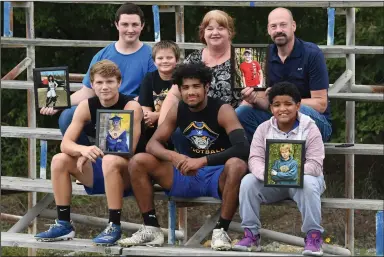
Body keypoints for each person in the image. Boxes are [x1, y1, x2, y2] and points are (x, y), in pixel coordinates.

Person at [117, 62, 250, 251]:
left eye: (196, 86)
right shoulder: (178, 109)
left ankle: (221, 231)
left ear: (206, 87)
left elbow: (242, 147)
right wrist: (173, 156)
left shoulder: (222, 110)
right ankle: (151, 227)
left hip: (217, 174)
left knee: (237, 165)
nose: (191, 92)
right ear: (179, 90)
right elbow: (152, 144)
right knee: (139, 161)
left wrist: (203, 160)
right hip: (186, 171)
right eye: (185, 88)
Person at [34, 60, 146, 246]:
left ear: (119, 83)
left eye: (109, 82)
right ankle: (64, 223)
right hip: (102, 168)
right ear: (92, 84)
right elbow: (66, 144)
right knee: (59, 160)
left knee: (111, 159)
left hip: (128, 173)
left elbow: (127, 150)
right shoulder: (87, 106)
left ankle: (114, 225)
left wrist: (92, 153)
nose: (104, 87)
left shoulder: (131, 106)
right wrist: (83, 149)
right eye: (99, 83)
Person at [40, 3, 156, 146]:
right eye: (125, 24)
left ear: (142, 25)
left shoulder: (151, 56)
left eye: (135, 24)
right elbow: (87, 92)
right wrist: (58, 104)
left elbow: (151, 94)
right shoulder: (102, 55)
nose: (130, 29)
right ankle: (91, 159)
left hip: (132, 110)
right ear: (117, 25)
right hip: (101, 106)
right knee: (67, 116)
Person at [233, 82, 326, 256]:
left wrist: (291, 173)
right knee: (248, 181)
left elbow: (315, 164)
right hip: (273, 180)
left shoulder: (310, 128)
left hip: (303, 180)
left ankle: (313, 237)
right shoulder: (263, 129)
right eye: (276, 105)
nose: (282, 109)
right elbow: (255, 159)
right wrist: (267, 174)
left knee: (307, 182)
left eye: (288, 104)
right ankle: (251, 235)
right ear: (270, 108)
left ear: (298, 105)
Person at [236, 7, 332, 142]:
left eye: (283, 25)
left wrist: (282, 102)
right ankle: (260, 157)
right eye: (273, 26)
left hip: (313, 122)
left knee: (298, 109)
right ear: (268, 30)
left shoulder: (312, 54)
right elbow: (266, 102)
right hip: (277, 121)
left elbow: (321, 104)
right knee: (241, 113)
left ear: (293, 26)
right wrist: (254, 99)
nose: (278, 30)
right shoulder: (264, 56)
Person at [138, 40, 180, 140]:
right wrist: (149, 118)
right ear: (154, 62)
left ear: (177, 60)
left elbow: (184, 109)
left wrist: (157, 115)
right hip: (154, 126)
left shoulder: (181, 78)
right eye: (160, 58)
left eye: (169, 57)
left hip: (177, 124)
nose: (165, 61)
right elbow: (145, 107)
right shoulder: (149, 78)